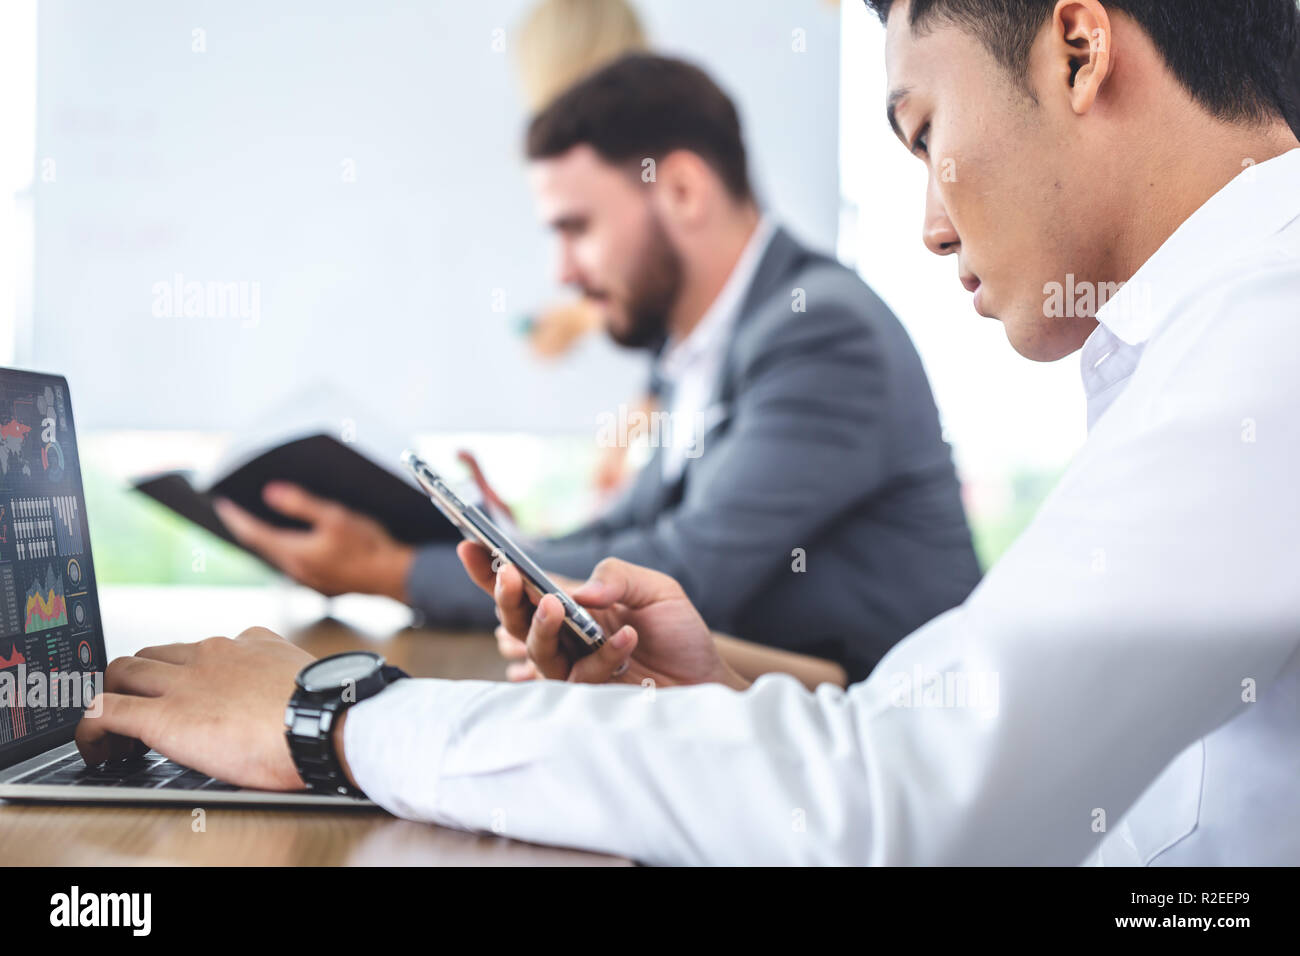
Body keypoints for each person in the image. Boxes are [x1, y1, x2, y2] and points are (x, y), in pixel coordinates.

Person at [79, 0, 1300, 865]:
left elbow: (902, 804)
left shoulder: (1269, 338)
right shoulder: (1213, 329)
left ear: (1079, 48)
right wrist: (715, 696)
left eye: (924, 132)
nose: (931, 224)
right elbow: (1030, 775)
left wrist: (333, 717)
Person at [214, 55, 981, 683]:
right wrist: (499, 544)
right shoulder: (705, 344)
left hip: (896, 767)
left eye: (576, 228)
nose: (564, 272)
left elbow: (683, 569)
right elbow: (630, 530)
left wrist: (387, 571)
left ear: (680, 189)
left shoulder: (820, 330)